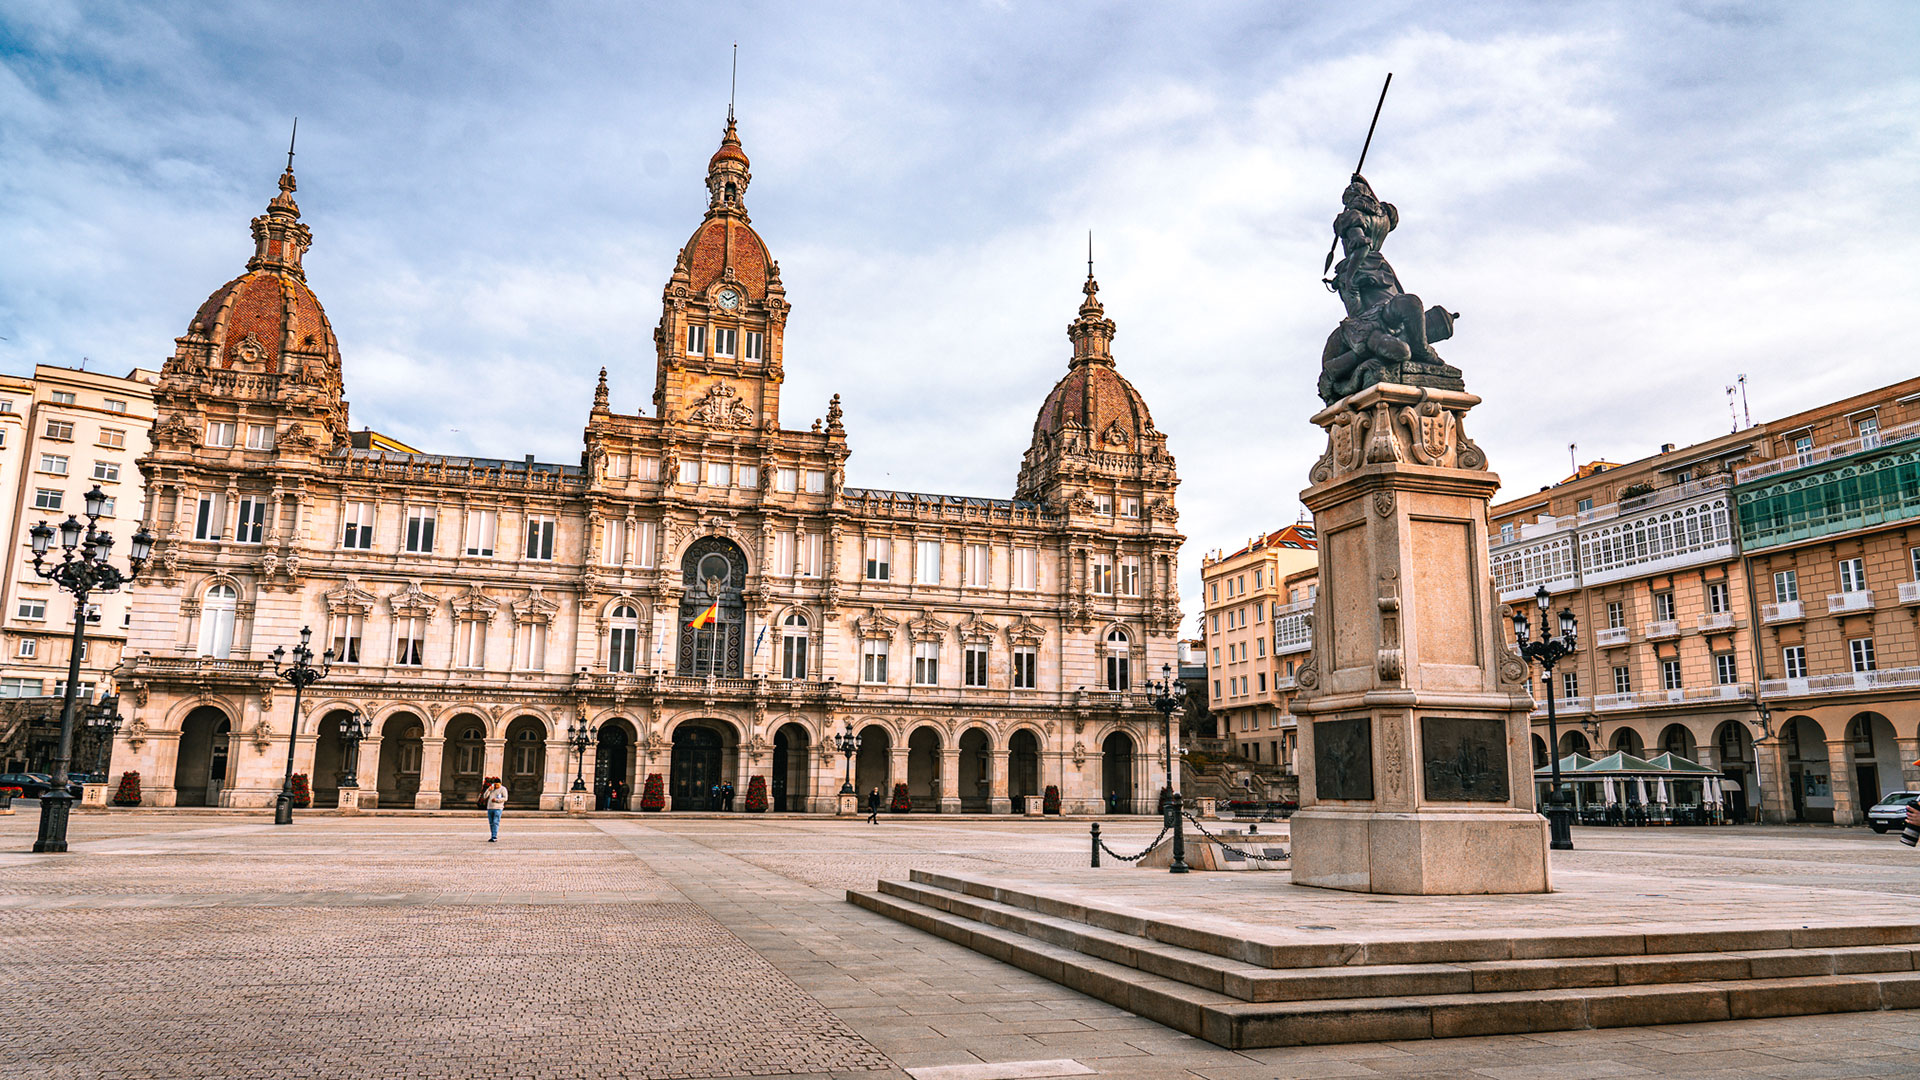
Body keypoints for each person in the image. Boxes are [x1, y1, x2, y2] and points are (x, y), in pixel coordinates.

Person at [481, 777, 509, 842]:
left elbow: (505, 798)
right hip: (490, 808)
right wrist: (489, 790)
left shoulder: (503, 789)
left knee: (495, 822)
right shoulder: (491, 788)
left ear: (500, 783)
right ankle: (492, 835)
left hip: (498, 808)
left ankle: (494, 836)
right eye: (495, 784)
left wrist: (497, 800)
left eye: (497, 785)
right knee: (491, 823)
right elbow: (485, 796)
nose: (496, 786)